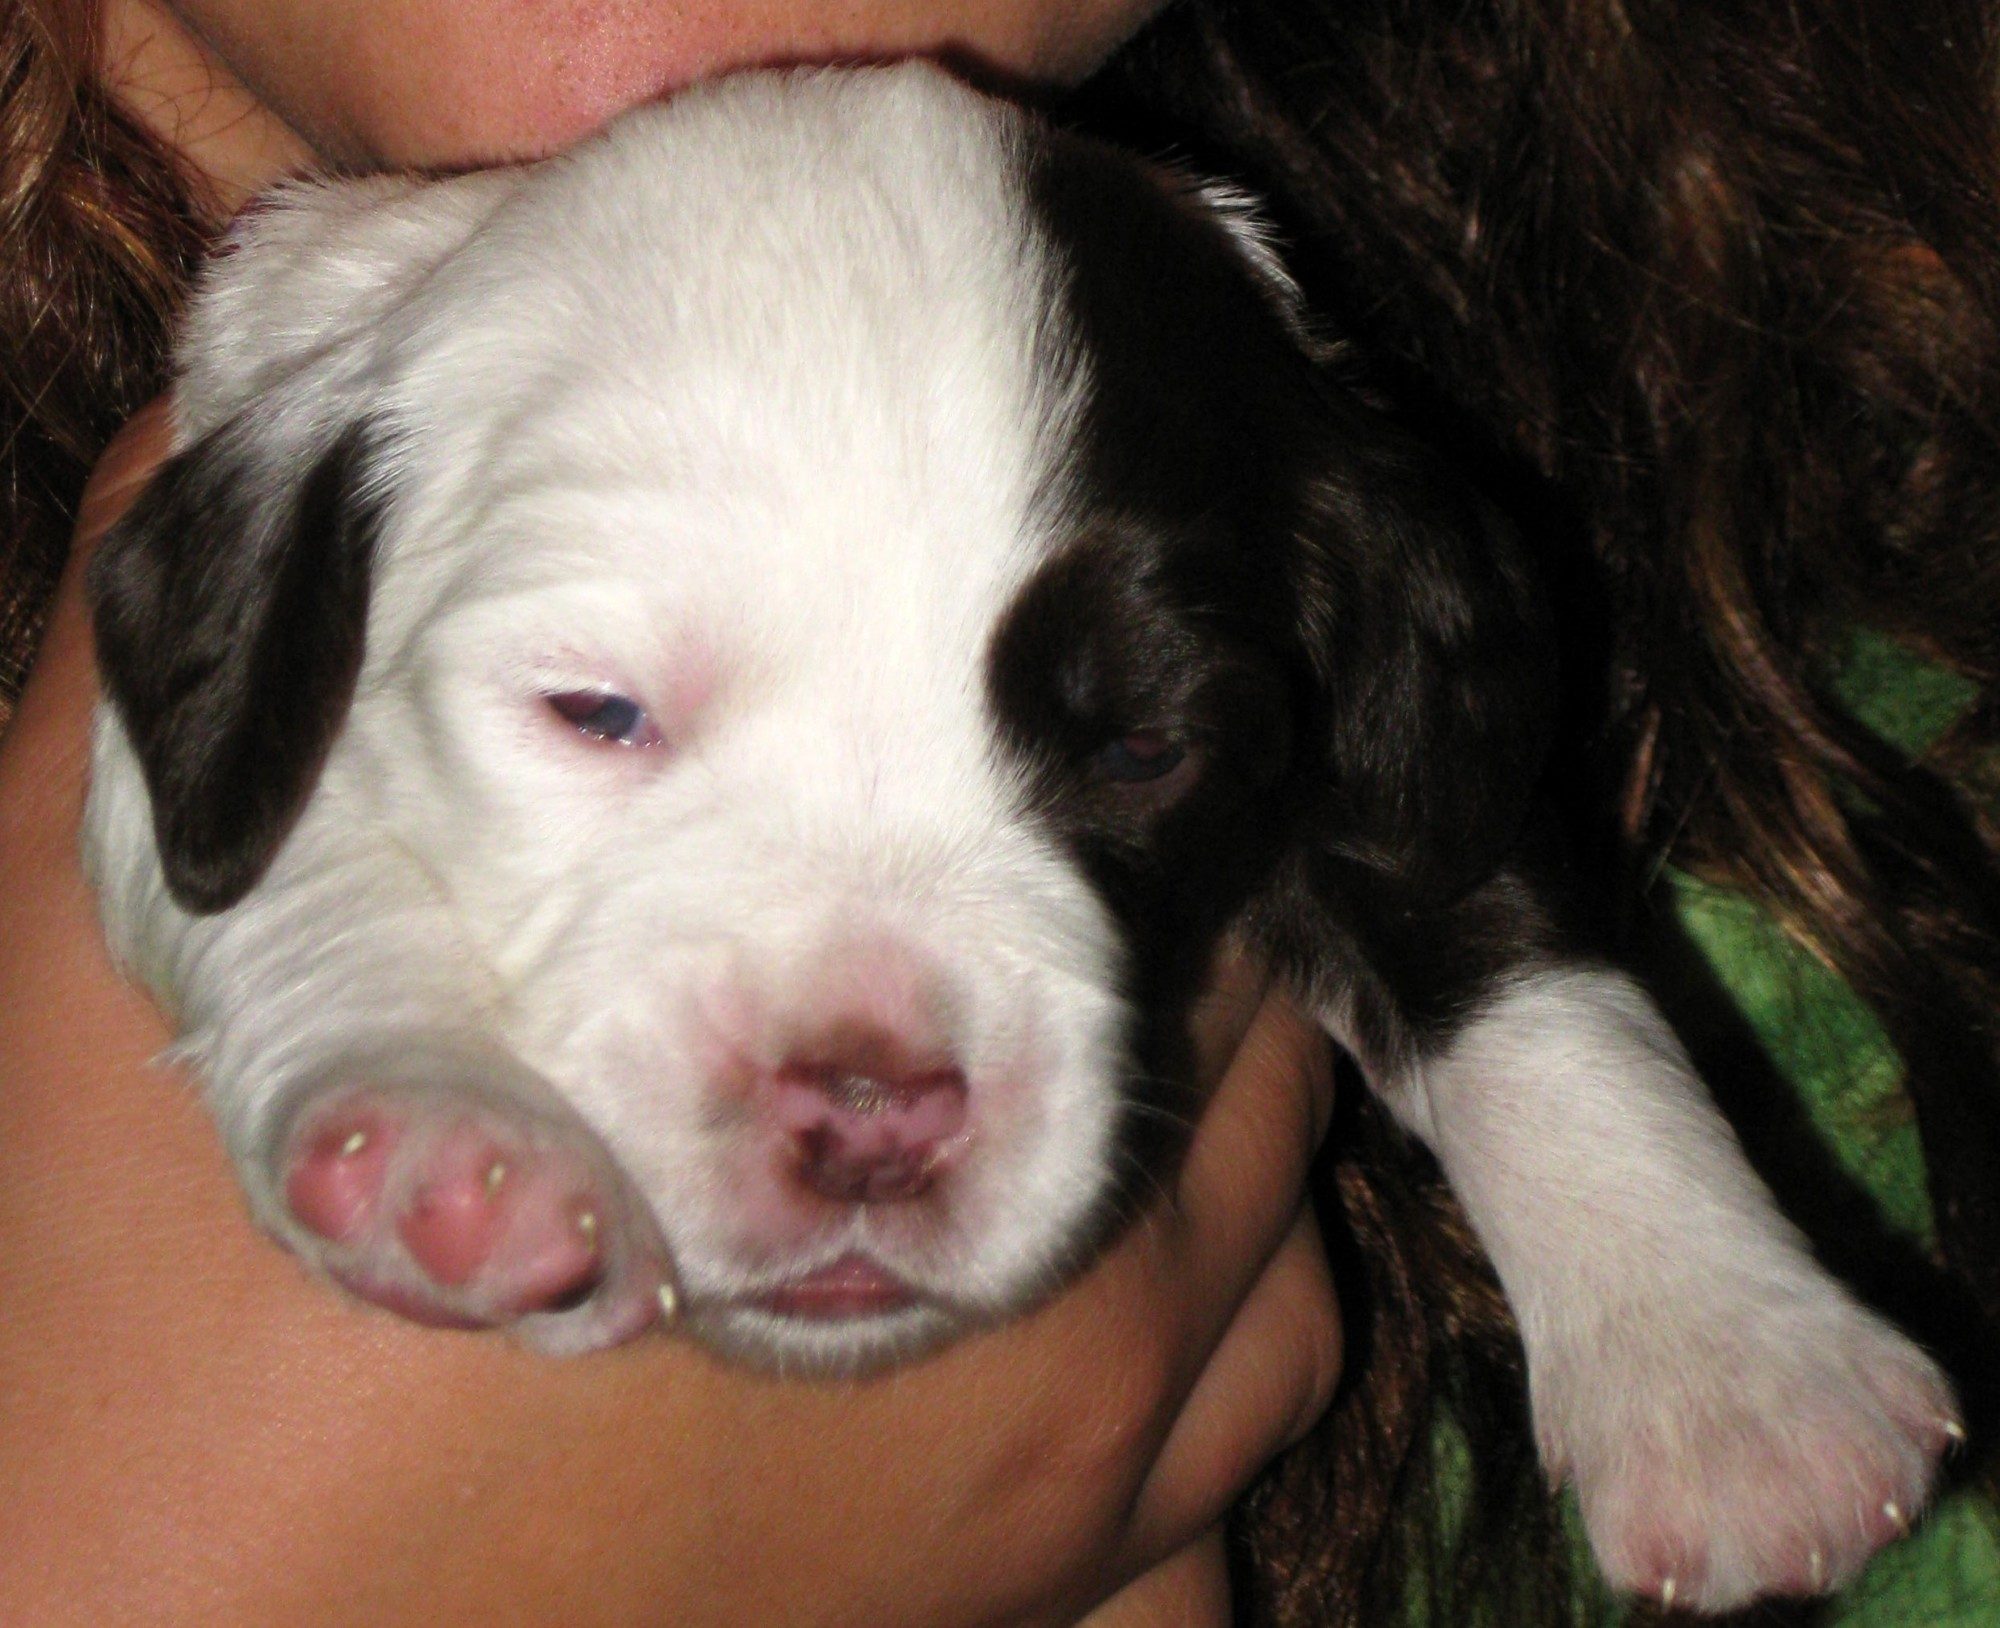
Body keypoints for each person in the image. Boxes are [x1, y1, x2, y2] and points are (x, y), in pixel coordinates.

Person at [4, 1, 1997, 1624]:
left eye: (1123, 755)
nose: (866, 1081)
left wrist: (1657, 1266)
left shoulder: (1245, 403)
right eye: (600, 714)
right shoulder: (345, 438)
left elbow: (1410, 847)